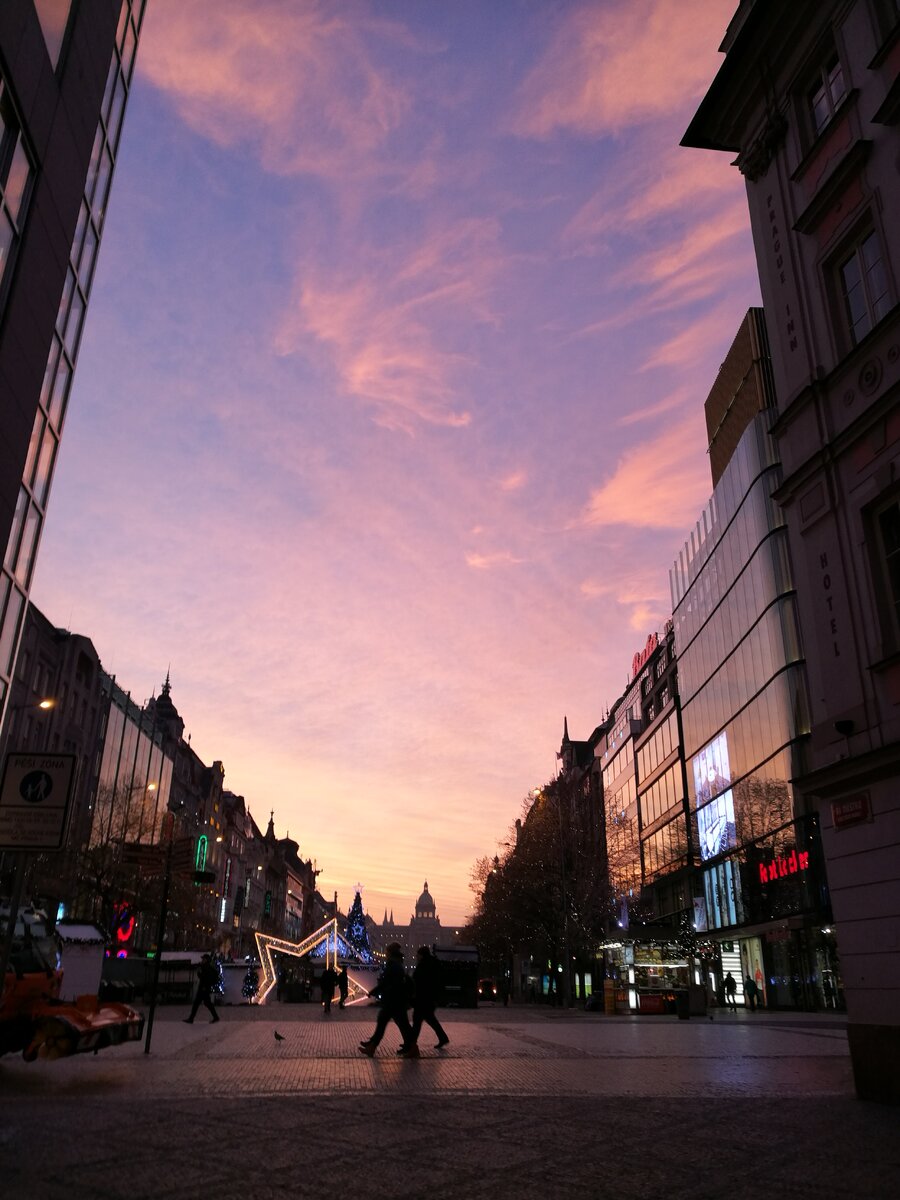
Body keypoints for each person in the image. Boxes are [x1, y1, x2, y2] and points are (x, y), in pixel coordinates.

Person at [359, 943, 415, 1057]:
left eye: (387, 952)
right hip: (396, 1000)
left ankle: (372, 1046)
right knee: (400, 1025)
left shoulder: (394, 966)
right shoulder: (396, 965)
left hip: (394, 1000)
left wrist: (373, 992)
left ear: (390, 953)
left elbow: (386, 983)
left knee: (388, 1023)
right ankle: (373, 1045)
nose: (385, 954)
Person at [407, 946, 449, 1051]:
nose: (416, 956)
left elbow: (419, 981)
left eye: (418, 954)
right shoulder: (433, 963)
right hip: (430, 997)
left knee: (418, 1021)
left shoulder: (424, 965)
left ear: (421, 955)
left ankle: (411, 1044)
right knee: (430, 1019)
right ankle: (443, 1038)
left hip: (423, 998)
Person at [184, 953, 220, 1024]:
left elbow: (204, 978)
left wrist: (199, 974)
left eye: (203, 959)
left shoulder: (206, 968)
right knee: (207, 1004)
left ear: (206, 960)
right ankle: (215, 1017)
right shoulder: (206, 967)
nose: (202, 960)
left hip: (203, 989)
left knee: (197, 1003)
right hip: (205, 988)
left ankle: (191, 1019)